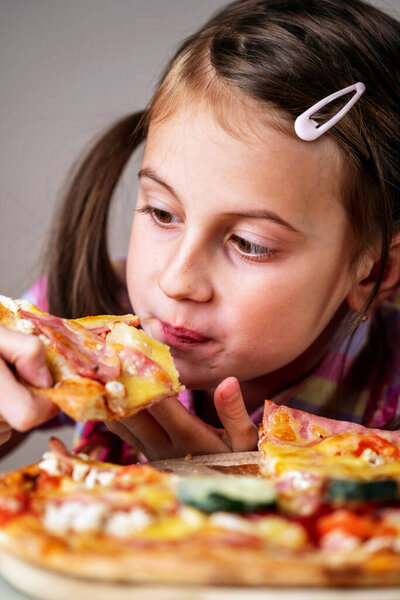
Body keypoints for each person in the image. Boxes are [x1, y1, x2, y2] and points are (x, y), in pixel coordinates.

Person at [0, 0, 399, 463]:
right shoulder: (78, 313)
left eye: (250, 244)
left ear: (372, 272)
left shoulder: (387, 380)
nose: (176, 281)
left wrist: (239, 486)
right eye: (163, 214)